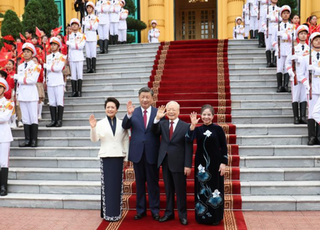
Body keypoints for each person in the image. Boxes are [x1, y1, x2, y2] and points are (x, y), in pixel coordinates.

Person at [122, 87, 160, 221]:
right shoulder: (134, 111)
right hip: (137, 152)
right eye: (142, 97)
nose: (145, 99)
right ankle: (141, 210)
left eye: (147, 97)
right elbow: (125, 126)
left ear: (152, 98)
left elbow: (159, 131)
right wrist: (129, 115)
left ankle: (155, 210)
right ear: (139, 98)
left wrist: (158, 119)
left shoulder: (157, 112)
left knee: (153, 183)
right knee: (139, 183)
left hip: (152, 152)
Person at [152, 101, 193, 226]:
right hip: (165, 161)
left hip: (179, 163)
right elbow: (154, 131)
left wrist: (187, 164)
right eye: (169, 109)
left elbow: (188, 146)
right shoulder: (163, 124)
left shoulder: (185, 126)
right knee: (168, 190)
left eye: (173, 110)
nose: (170, 112)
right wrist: (157, 118)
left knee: (180, 190)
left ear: (178, 111)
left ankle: (182, 215)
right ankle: (169, 213)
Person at [186, 105, 228, 226]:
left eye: (208, 114)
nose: (206, 117)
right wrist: (192, 125)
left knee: (215, 190)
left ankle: (215, 217)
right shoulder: (198, 130)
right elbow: (188, 139)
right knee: (202, 190)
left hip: (215, 165)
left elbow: (224, 147)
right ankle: (202, 217)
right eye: (204, 114)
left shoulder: (218, 129)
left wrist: (223, 163)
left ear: (213, 116)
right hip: (202, 167)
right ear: (201, 116)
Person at [90, 97, 129, 221]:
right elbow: (94, 139)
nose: (110, 109)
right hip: (105, 157)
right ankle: (107, 214)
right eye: (108, 107)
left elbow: (126, 140)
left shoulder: (122, 123)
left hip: (118, 157)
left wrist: (127, 157)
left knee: (117, 186)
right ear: (105, 109)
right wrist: (93, 128)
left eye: (112, 107)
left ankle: (117, 213)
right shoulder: (100, 123)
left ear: (117, 109)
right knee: (107, 186)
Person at [14, 43, 41, 147]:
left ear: (32, 54)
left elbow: (32, 80)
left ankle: (34, 140)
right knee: (25, 118)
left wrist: (19, 78)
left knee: (33, 117)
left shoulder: (36, 66)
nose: (25, 54)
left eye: (28, 52)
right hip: (22, 94)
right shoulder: (20, 66)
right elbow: (19, 83)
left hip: (31, 94)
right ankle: (27, 139)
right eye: (24, 52)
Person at [285, 25, 309, 125]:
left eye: (305, 34)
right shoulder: (294, 48)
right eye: (301, 34)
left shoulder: (309, 49)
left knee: (303, 97)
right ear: (298, 35)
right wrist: (291, 72)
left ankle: (303, 116)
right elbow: (287, 63)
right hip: (295, 75)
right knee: (295, 97)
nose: (303, 36)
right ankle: (296, 117)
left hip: (305, 77)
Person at [44, 37, 66, 128]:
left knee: (59, 101)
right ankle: (53, 120)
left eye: (54, 45)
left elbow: (59, 68)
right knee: (52, 102)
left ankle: (59, 120)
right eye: (51, 45)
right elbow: (48, 71)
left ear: (58, 46)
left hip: (58, 81)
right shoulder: (48, 57)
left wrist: (48, 67)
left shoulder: (62, 56)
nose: (52, 47)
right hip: (50, 81)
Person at [0, 78, 15, 196]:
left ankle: (3, 186)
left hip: (4, 135)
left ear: (4, 89)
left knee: (4, 162)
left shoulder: (9, 103)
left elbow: (5, 118)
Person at [275, 5, 294, 93]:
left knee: (287, 67)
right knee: (279, 68)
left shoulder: (292, 26)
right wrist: (277, 48)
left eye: (287, 13)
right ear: (281, 15)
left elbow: (294, 37)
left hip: (289, 48)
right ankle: (279, 86)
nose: (285, 15)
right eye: (284, 13)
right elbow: (273, 40)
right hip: (280, 48)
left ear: (289, 15)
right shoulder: (277, 26)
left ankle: (286, 86)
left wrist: (285, 36)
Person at [66, 18, 86, 97]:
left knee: (79, 74)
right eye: (72, 25)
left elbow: (81, 46)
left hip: (79, 56)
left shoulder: (82, 36)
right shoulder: (69, 36)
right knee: (73, 75)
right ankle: (74, 91)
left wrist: (71, 44)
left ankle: (79, 91)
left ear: (78, 26)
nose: (74, 26)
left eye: (76, 25)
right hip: (72, 57)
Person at [306, 32, 320, 145]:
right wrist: (306, 84)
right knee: (311, 113)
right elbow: (301, 73)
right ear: (311, 42)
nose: (318, 42)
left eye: (319, 40)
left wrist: (315, 69)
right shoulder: (307, 56)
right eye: (316, 40)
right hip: (312, 87)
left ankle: (319, 136)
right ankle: (311, 136)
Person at [84, 1, 99, 73]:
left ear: (93, 9)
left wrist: (88, 26)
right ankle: (88, 68)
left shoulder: (95, 18)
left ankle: (93, 68)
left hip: (92, 36)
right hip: (86, 36)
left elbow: (95, 27)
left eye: (90, 8)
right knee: (88, 53)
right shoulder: (85, 18)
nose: (89, 9)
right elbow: (84, 29)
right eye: (88, 8)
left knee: (93, 53)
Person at [265, 0, 280, 68]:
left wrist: (272, 18)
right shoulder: (266, 9)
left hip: (276, 29)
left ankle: (274, 61)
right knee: (268, 47)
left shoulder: (279, 9)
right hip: (269, 29)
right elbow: (262, 21)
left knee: (275, 46)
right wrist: (265, 28)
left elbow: (281, 19)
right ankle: (268, 62)